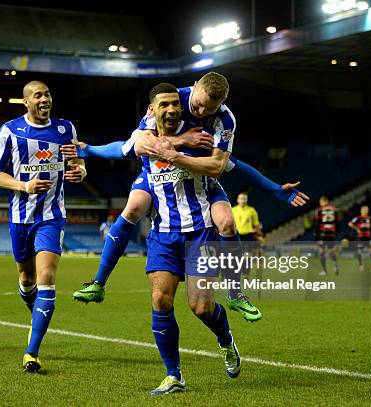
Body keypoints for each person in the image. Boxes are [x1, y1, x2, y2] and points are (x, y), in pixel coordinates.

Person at [67, 72, 308, 323]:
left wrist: (274, 189)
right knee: (133, 207)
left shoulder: (224, 120)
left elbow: (223, 165)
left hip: (200, 175)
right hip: (158, 175)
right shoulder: (171, 99)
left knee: (226, 222)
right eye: (198, 104)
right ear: (193, 88)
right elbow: (139, 143)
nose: (202, 112)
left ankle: (236, 293)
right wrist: (183, 139)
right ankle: (99, 282)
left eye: (209, 108)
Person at [127, 83, 241, 394]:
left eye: (176, 105)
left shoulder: (206, 132)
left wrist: (177, 151)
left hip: (199, 229)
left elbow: (222, 165)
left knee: (201, 307)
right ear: (153, 108)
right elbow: (135, 145)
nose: (172, 109)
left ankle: (225, 339)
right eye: (163, 105)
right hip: (163, 231)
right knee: (160, 300)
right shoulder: (149, 127)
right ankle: (173, 375)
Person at [0, 81, 86, 374]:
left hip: (51, 216)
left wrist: (80, 171)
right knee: (26, 277)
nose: (45, 99)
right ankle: (38, 312)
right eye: (38, 95)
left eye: (48, 94)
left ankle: (32, 351)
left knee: (47, 275)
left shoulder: (65, 129)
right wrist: (24, 185)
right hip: (20, 218)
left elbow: (77, 163)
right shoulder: (10, 131)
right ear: (26, 102)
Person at [348, 205, 371, 271]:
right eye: (365, 210)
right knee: (360, 251)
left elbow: (370, 227)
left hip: (368, 237)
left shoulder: (369, 218)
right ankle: (360, 266)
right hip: (361, 237)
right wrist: (357, 228)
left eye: (367, 210)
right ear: (361, 211)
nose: (366, 211)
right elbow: (350, 223)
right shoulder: (358, 218)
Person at [314, 196, 339, 275]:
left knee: (321, 252)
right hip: (331, 233)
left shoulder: (319, 210)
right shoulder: (334, 209)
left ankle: (325, 271)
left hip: (323, 233)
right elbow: (337, 221)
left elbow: (318, 222)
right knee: (331, 250)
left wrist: (315, 234)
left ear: (322, 202)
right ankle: (335, 265)